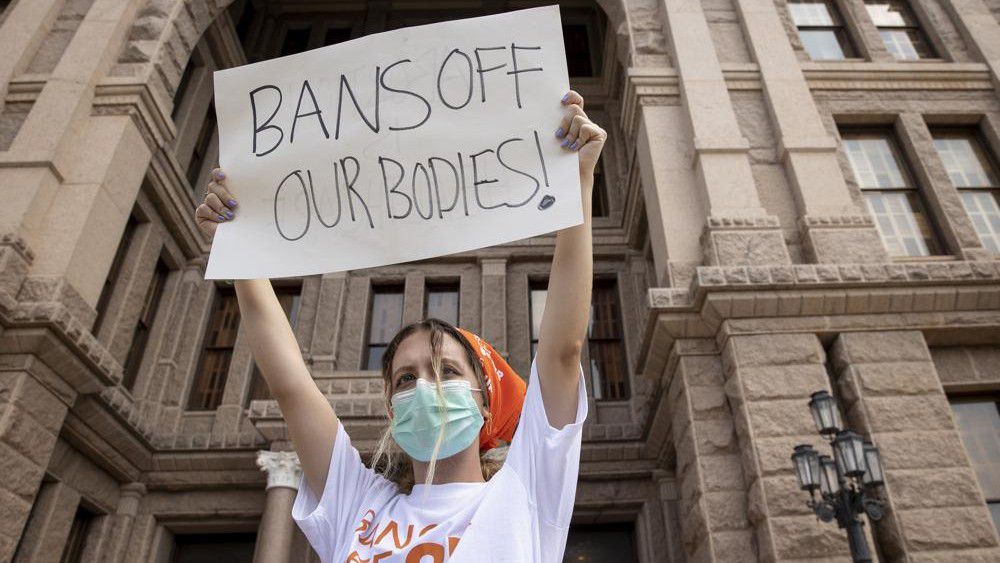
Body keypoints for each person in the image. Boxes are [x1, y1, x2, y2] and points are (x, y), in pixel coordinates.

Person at [194, 90, 606, 562]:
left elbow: (561, 351)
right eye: (406, 378)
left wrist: (579, 182)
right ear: (392, 407)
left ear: (486, 405)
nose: (425, 387)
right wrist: (240, 252)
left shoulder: (528, 489)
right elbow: (291, 386)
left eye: (448, 372)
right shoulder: (358, 505)